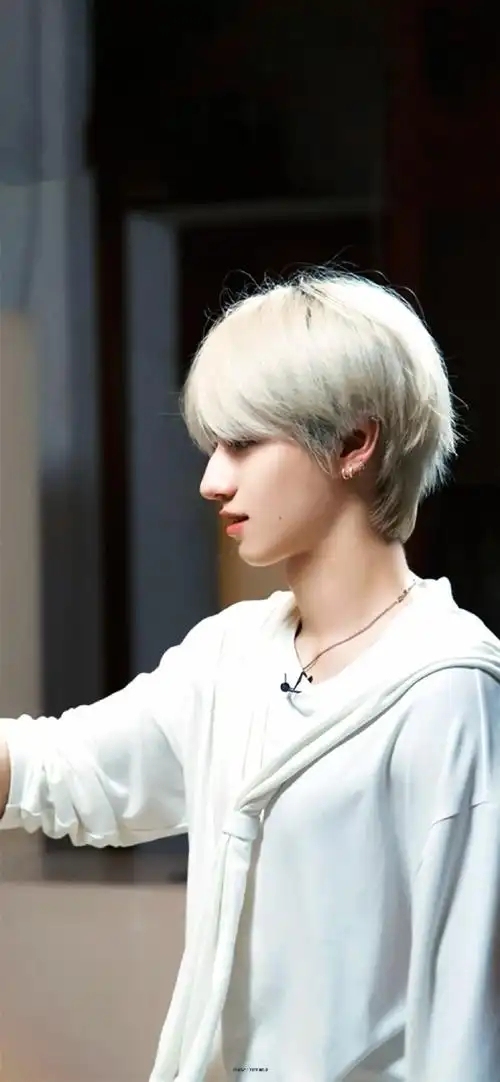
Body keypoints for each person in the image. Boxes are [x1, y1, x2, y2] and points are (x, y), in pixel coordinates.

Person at [1, 269, 500, 1082]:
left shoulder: (450, 689)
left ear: (354, 442)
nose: (212, 480)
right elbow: (70, 768)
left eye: (244, 443)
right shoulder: (233, 653)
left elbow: (464, 1017)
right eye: (214, 447)